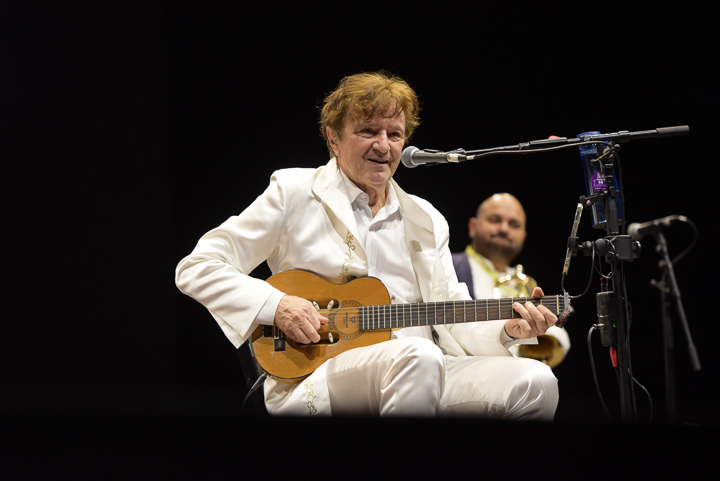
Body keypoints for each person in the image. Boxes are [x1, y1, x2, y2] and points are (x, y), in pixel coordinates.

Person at [175, 71, 560, 419]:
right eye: (368, 131)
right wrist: (277, 305)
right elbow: (197, 267)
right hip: (322, 372)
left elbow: (451, 316)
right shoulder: (293, 193)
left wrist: (508, 330)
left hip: (426, 366)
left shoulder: (426, 218)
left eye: (395, 134)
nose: (384, 145)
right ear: (333, 138)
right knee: (418, 355)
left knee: (534, 380)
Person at [452, 193, 571, 368]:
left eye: (514, 225)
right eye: (495, 220)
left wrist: (543, 326)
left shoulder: (523, 282)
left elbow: (558, 337)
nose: (504, 229)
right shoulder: (447, 266)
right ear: (473, 226)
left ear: (523, 236)